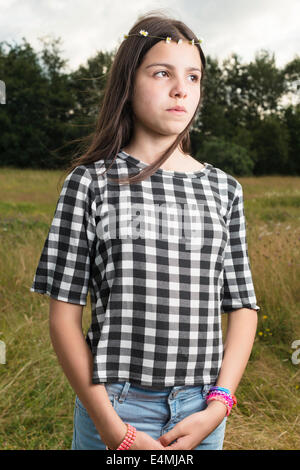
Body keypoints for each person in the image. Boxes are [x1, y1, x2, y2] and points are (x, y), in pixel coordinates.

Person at [30, 11, 260, 451]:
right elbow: (63, 318)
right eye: (162, 73)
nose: (181, 89)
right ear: (128, 83)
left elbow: (243, 308)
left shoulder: (224, 189)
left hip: (201, 410)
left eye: (193, 77)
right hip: (114, 408)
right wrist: (115, 429)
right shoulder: (91, 183)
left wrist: (217, 406)